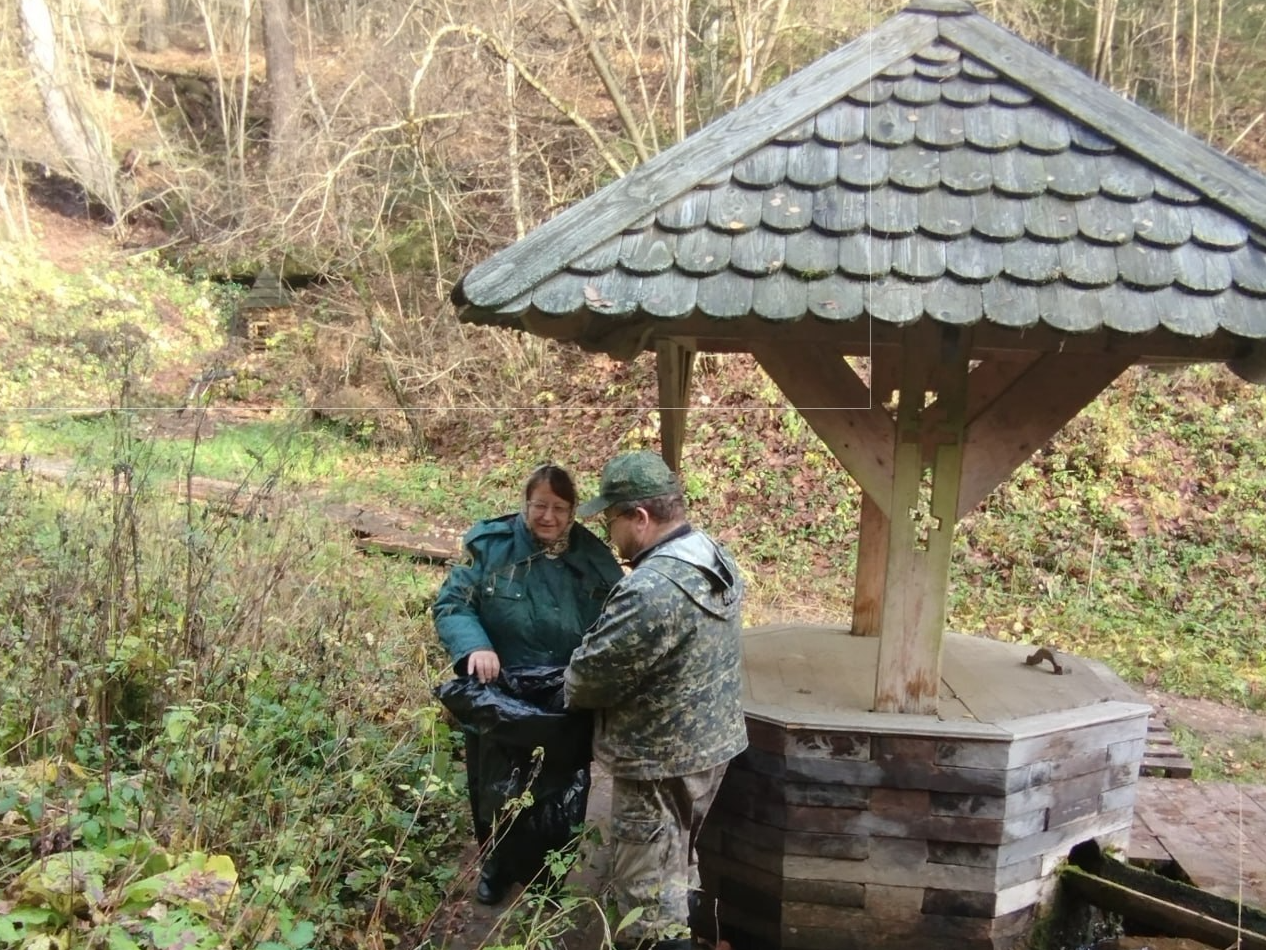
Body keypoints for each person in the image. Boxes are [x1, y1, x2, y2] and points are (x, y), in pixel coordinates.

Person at [564, 451, 747, 950]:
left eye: (612, 519)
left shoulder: (650, 589)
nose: (608, 532)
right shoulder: (711, 553)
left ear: (639, 518)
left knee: (644, 897)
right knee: (677, 859)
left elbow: (586, 681)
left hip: (658, 761)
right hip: (710, 745)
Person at [433, 464, 624, 905]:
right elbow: (452, 604)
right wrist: (474, 646)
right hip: (498, 691)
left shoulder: (593, 560)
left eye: (559, 508)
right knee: (495, 789)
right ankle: (497, 868)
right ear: (525, 504)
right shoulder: (493, 549)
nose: (548, 517)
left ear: (574, 511)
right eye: (539, 506)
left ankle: (548, 879)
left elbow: (619, 620)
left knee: (559, 792)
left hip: (564, 697)